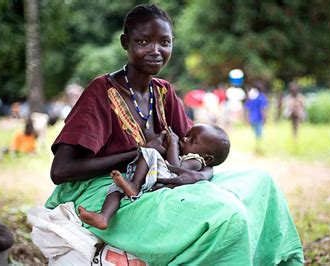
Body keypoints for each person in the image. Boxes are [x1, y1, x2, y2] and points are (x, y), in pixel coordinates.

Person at [45, 4, 304, 265]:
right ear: (126, 42)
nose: (155, 51)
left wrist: (199, 174)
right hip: (110, 191)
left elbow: (195, 149)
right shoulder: (101, 91)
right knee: (228, 214)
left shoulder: (164, 92)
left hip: (159, 181)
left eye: (164, 42)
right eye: (143, 41)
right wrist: (138, 153)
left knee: (262, 182)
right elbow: (61, 171)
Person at [78, 124, 230, 230]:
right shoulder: (192, 156)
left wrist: (173, 144)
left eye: (192, 140)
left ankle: (134, 186)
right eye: (187, 135)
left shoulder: (196, 161)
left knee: (150, 152)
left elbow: (175, 166)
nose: (184, 139)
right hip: (158, 178)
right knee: (116, 188)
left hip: (168, 178)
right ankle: (103, 217)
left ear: (208, 158)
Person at [244, 82, 269, 154]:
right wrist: (265, 118)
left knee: (255, 134)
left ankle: (256, 148)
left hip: (252, 118)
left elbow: (247, 108)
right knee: (259, 135)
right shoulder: (262, 97)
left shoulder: (251, 98)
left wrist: (246, 119)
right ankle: (258, 148)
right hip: (259, 119)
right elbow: (263, 109)